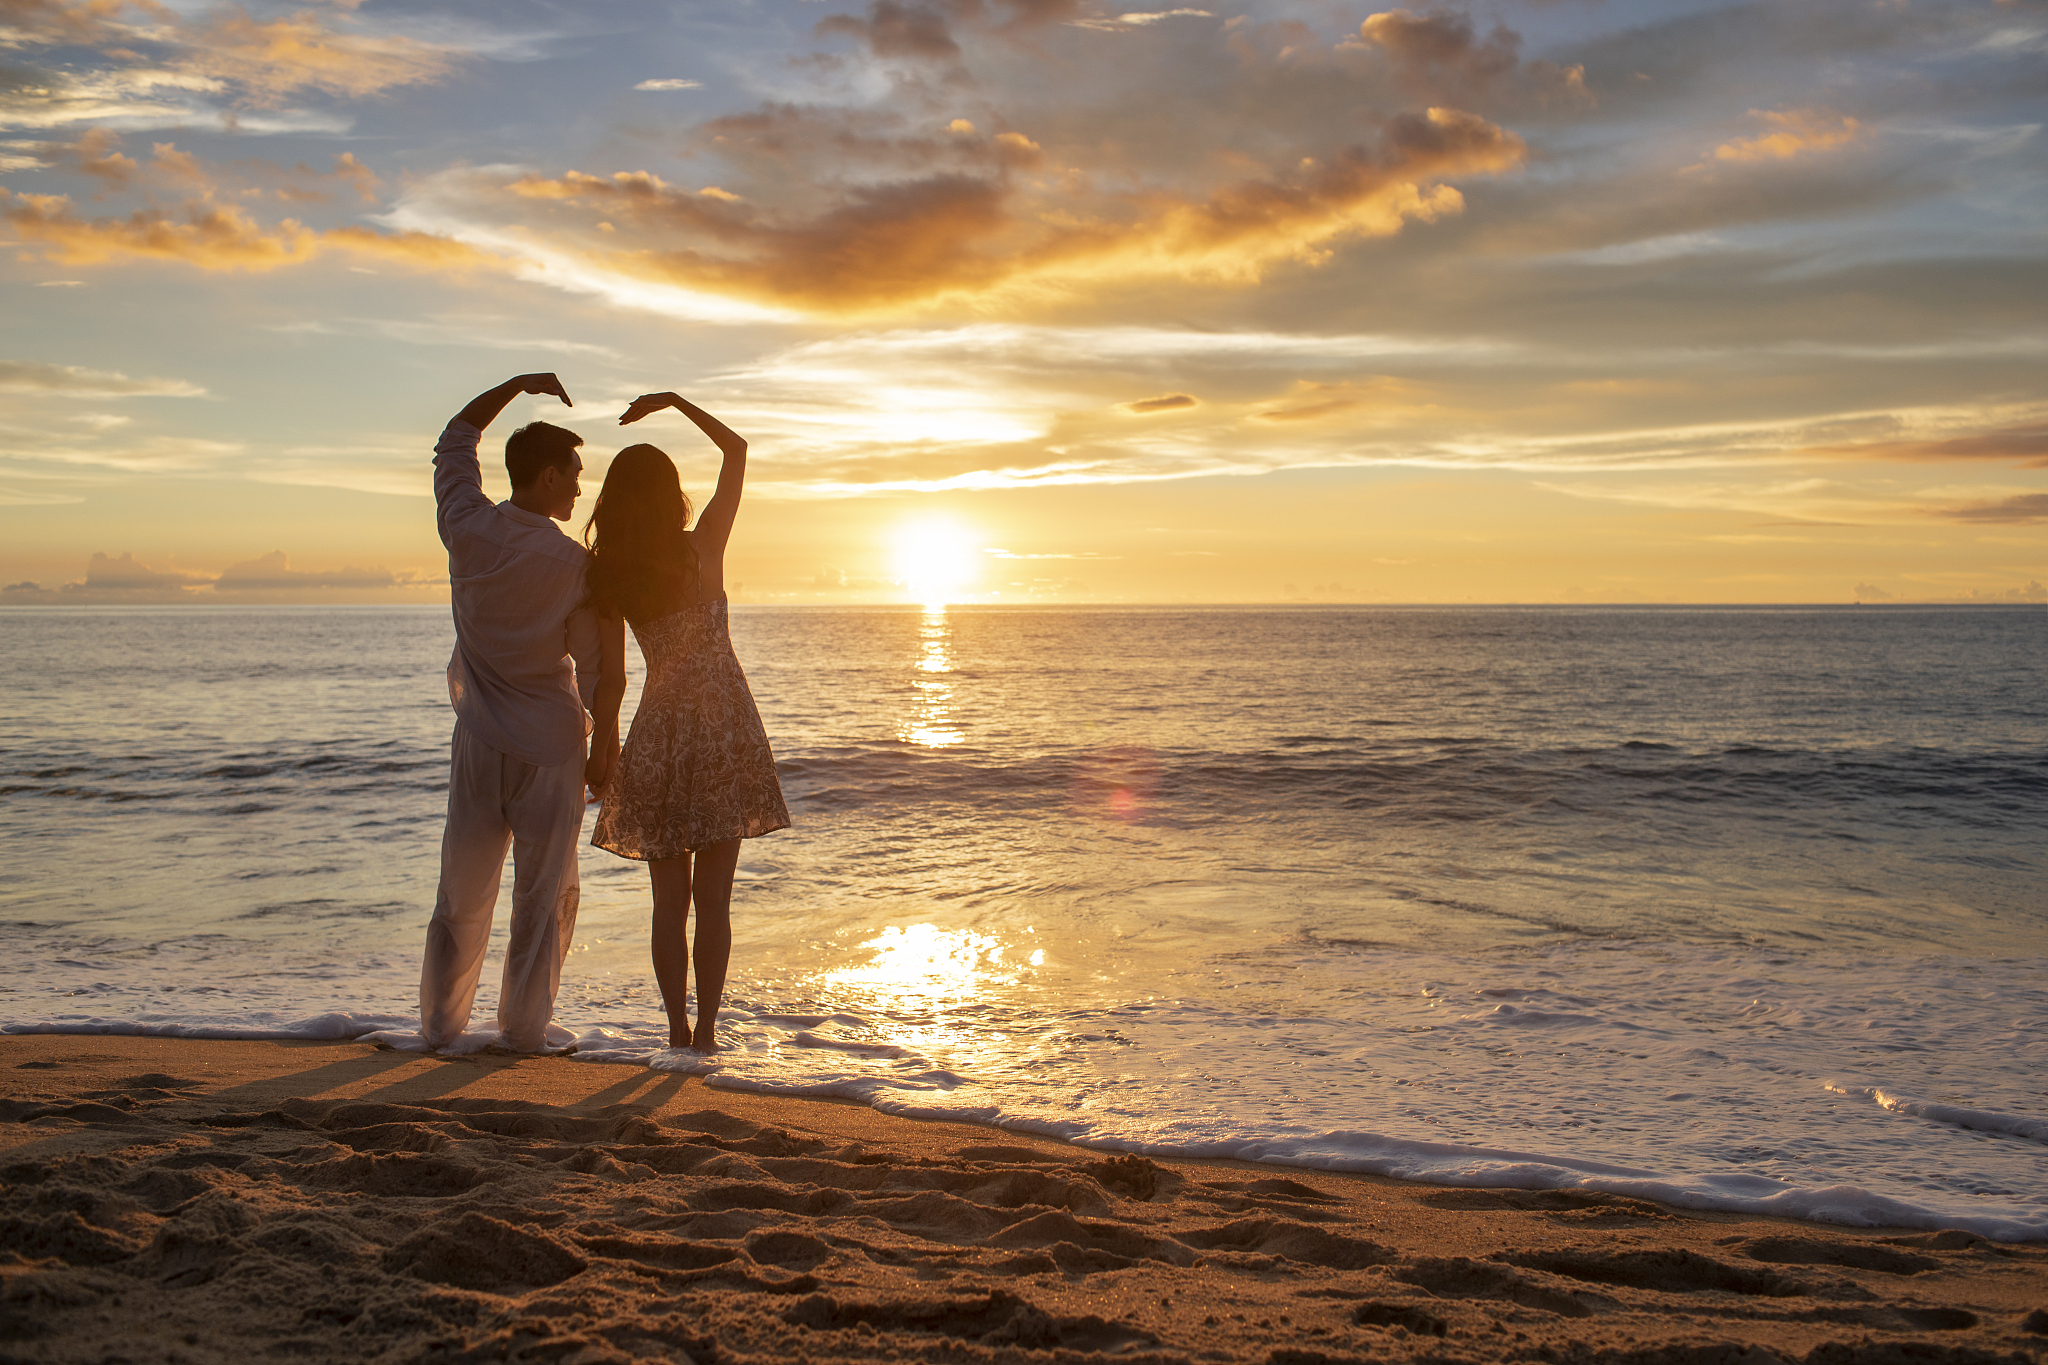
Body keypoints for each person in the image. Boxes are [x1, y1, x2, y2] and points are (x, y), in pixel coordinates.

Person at [583, 391, 790, 1052]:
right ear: (672, 495)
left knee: (667, 901)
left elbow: (612, 678)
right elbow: (736, 451)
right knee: (716, 899)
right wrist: (675, 403)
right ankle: (706, 1033)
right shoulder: (702, 548)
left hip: (660, 732)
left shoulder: (611, 572)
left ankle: (675, 1028)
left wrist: (605, 747)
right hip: (724, 728)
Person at [419, 372, 599, 1054]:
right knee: (544, 895)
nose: (580, 488)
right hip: (551, 746)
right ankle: (523, 1031)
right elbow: (595, 666)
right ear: (548, 475)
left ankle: (440, 1026)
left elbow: (454, 440)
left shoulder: (467, 527)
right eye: (575, 474)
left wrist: (518, 386)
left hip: (479, 738)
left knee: (462, 892)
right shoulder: (574, 564)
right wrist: (605, 742)